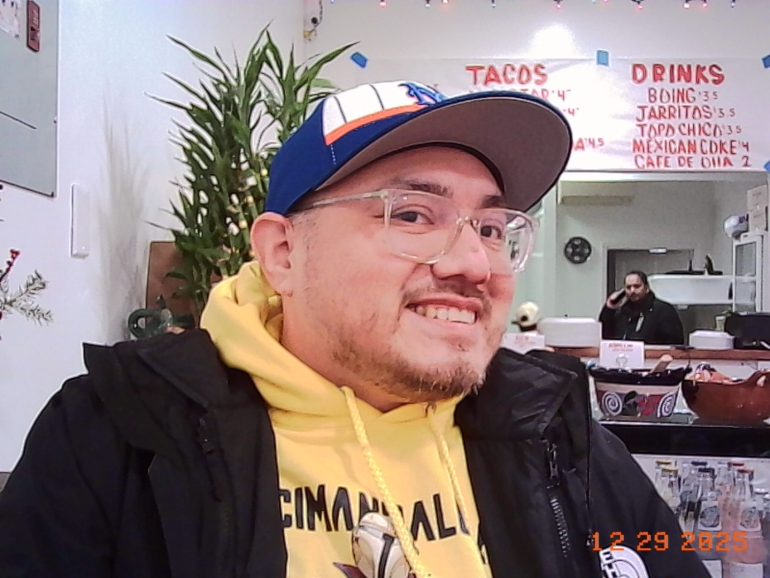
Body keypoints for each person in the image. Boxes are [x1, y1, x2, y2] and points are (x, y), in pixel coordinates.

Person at [0, 81, 707, 578]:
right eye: (411, 215)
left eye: (492, 227)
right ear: (283, 253)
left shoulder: (556, 435)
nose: (472, 263)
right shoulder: (117, 437)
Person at [599, 270, 685, 345]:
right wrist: (609, 309)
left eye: (637, 286)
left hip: (652, 359)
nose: (632, 290)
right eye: (628, 287)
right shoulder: (622, 312)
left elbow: (675, 342)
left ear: (646, 288)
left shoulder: (664, 310)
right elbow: (605, 335)